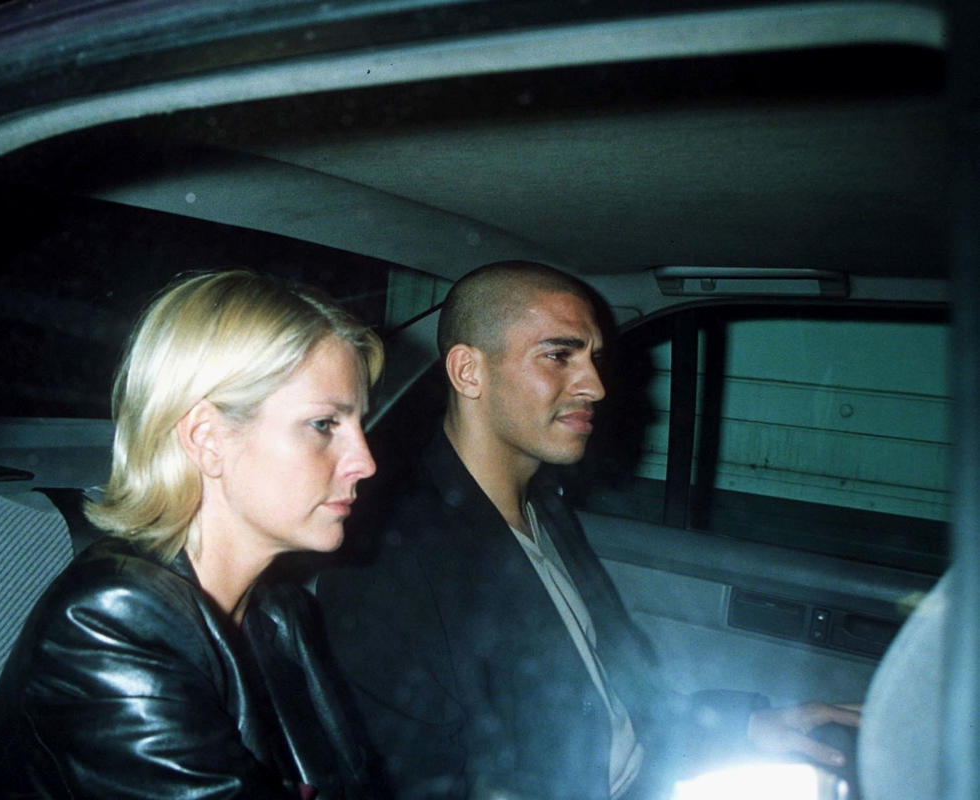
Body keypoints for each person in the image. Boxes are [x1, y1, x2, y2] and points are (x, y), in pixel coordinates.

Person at [314, 261, 860, 799]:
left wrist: (747, 727)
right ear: (468, 372)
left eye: (594, 358)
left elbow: (610, 706)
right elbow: (420, 782)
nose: (595, 386)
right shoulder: (389, 558)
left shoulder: (544, 511)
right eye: (558, 355)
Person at [0, 270, 382, 798]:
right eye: (325, 424)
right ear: (207, 438)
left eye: (358, 426)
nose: (365, 462)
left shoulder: (278, 613)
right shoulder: (110, 620)